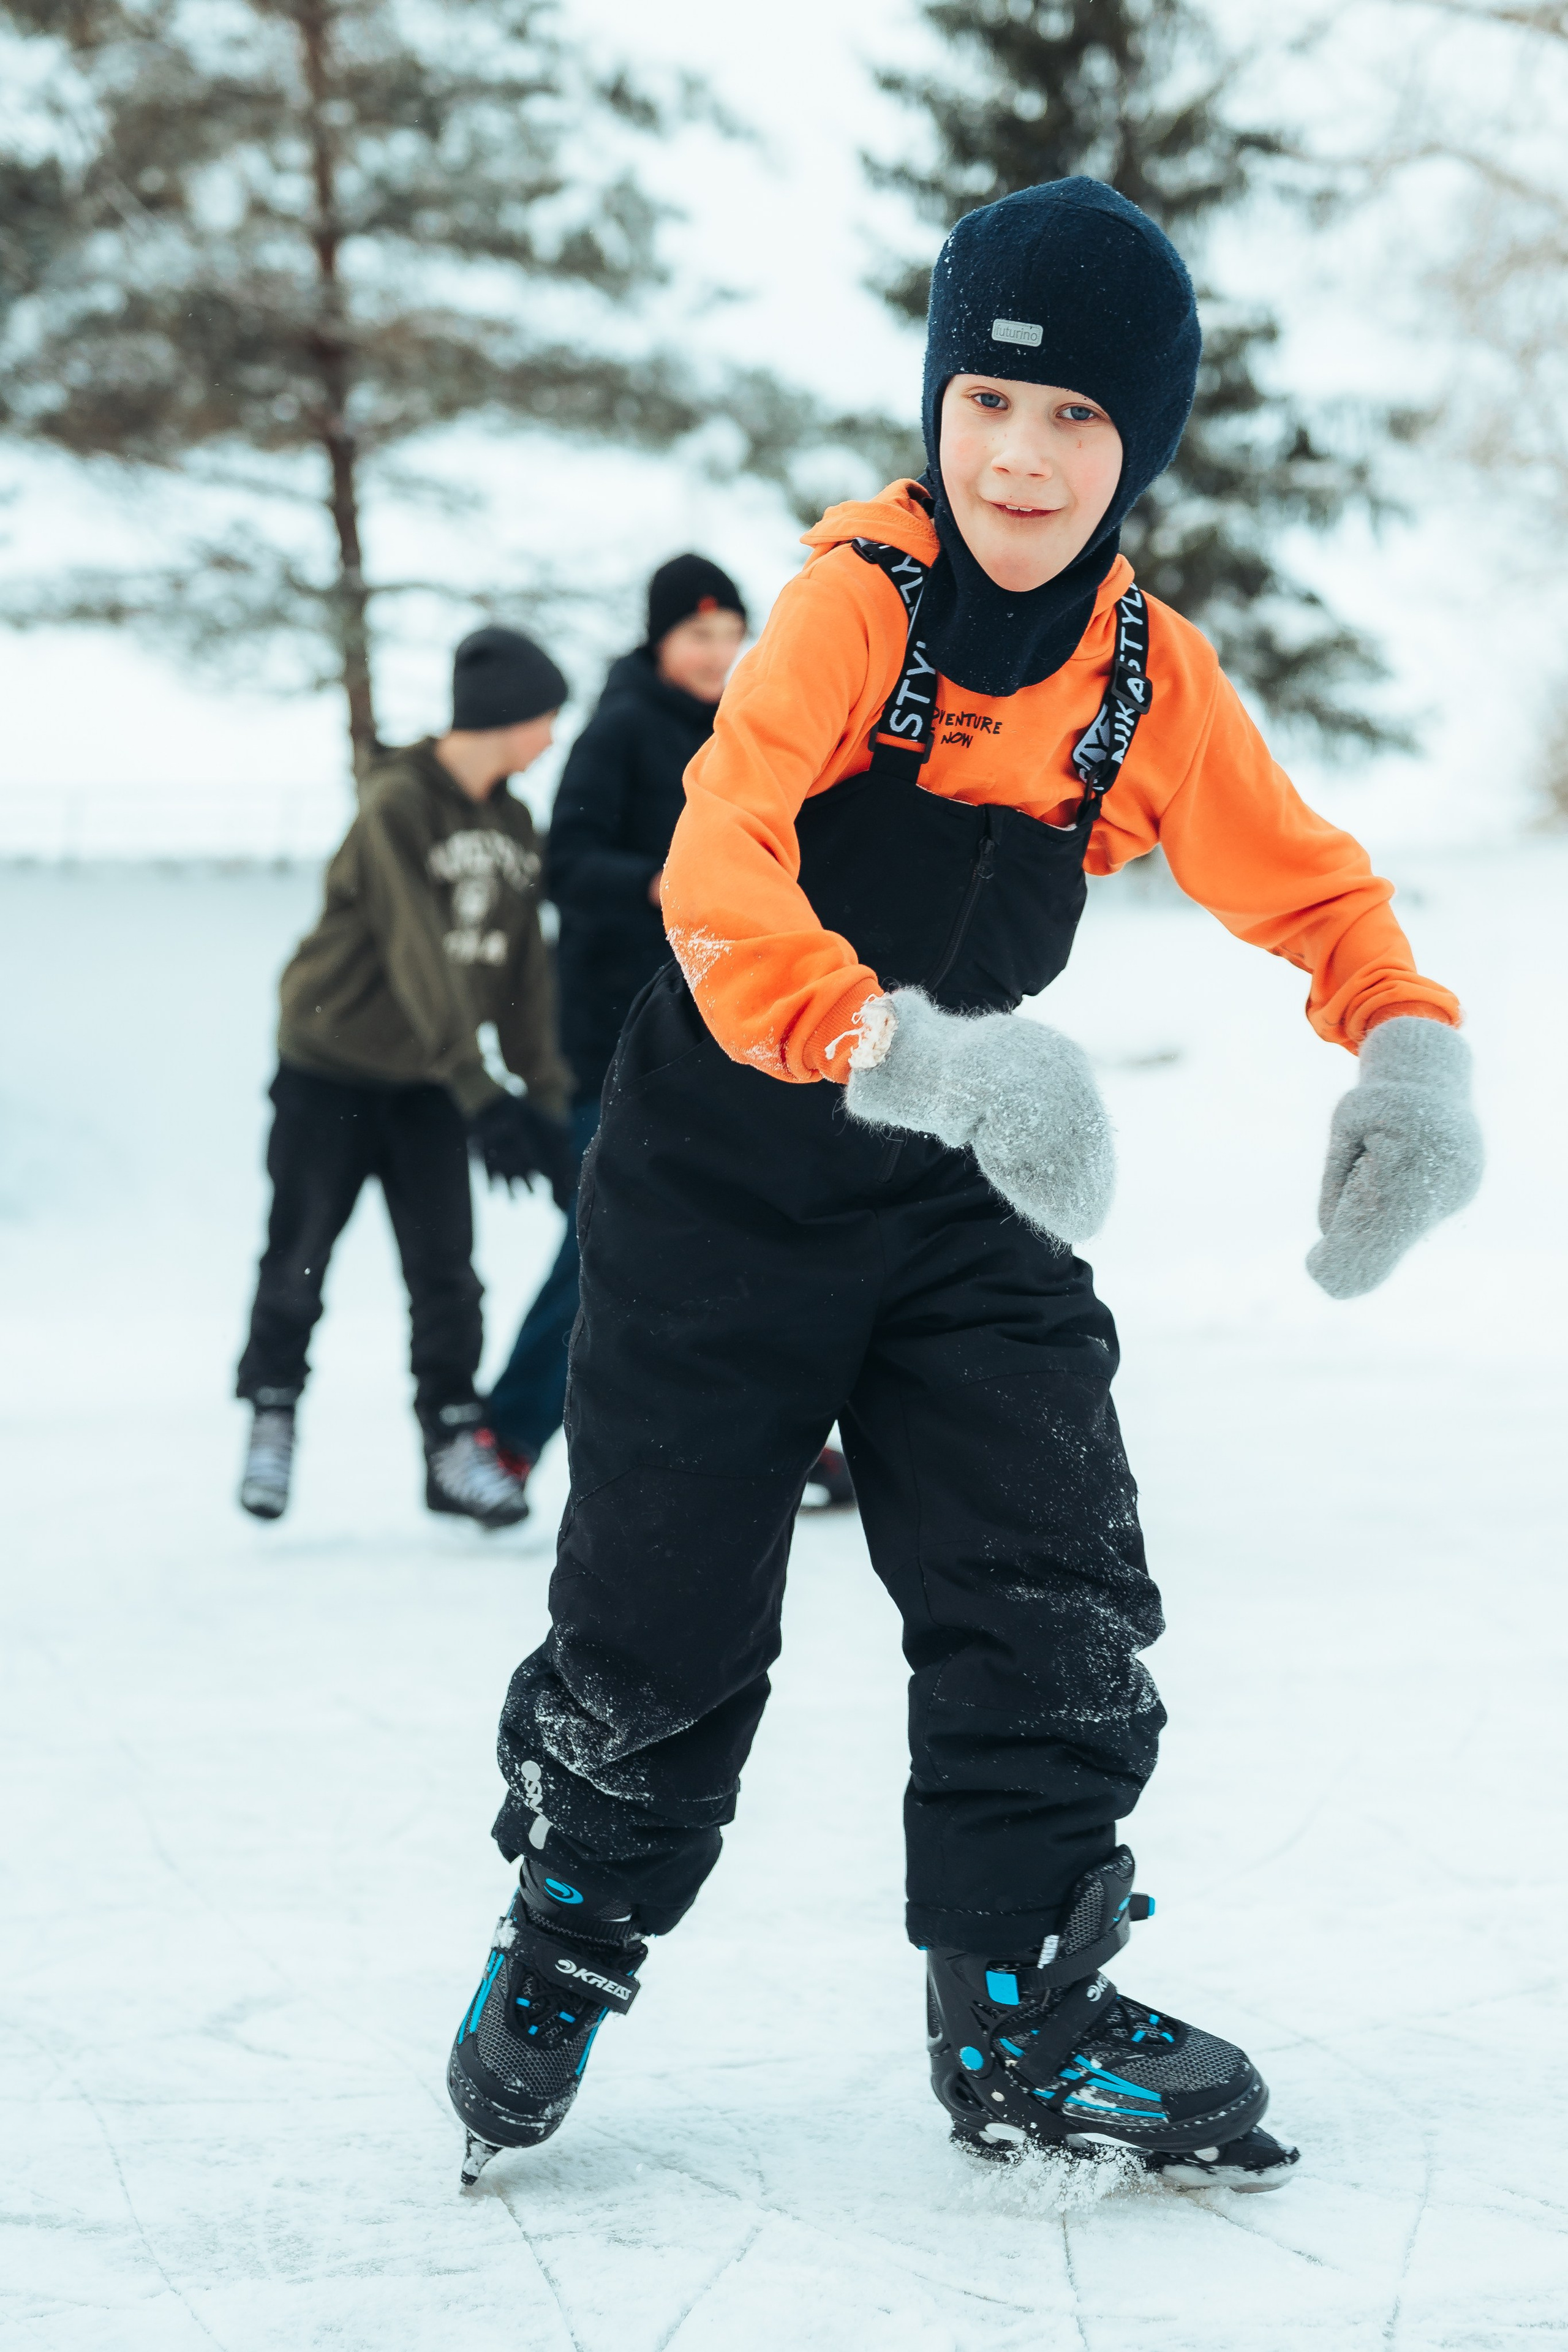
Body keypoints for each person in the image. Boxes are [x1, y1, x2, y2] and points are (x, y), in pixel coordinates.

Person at [445, 183, 1482, 2190]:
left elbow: (1318, 884)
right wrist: (905, 1049)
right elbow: (718, 869)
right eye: (993, 397)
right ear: (940, 400)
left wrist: (1406, 1050)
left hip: (970, 1200)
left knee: (1050, 1590)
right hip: (722, 1183)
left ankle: (1021, 1999)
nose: (1024, 453)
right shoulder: (860, 604)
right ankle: (569, 1941)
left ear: (1141, 446)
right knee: (661, 1645)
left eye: (1082, 418)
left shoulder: (1141, 678)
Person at [482, 560, 858, 1507]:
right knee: (609, 1242)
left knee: (751, 1235)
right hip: (612, 1033)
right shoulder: (619, 730)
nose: (719, 653)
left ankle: (777, 1438)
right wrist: (661, 883)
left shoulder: (746, 728)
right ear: (659, 641)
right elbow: (563, 864)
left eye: (733, 633)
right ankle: (506, 1436)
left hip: (723, 1026)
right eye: (699, 636)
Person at [236, 625, 576, 1531]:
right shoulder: (397, 803)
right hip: (331, 1069)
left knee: (446, 1273)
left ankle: (453, 1442)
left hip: (429, 1082)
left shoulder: (512, 823)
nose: (549, 737)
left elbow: (522, 975)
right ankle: (272, 1413)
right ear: (504, 716)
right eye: (544, 717)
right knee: (301, 1252)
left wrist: (543, 1103)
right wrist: (478, 1087)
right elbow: (417, 953)